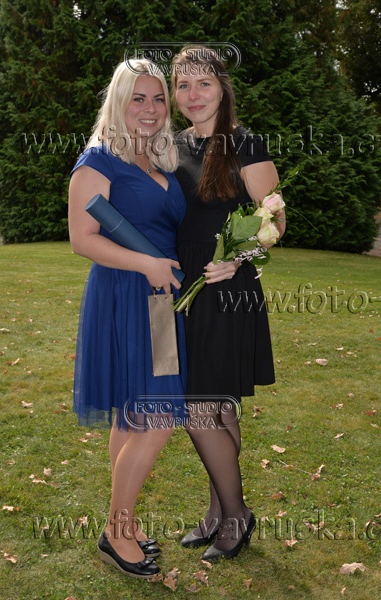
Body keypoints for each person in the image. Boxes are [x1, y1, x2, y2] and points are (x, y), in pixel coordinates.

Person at [68, 59, 187, 578]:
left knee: (134, 415)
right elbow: (82, 238)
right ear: (118, 102)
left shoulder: (158, 158)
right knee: (158, 417)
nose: (150, 108)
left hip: (160, 301)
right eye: (138, 98)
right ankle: (117, 533)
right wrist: (146, 264)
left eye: (158, 98)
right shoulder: (99, 159)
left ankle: (124, 521)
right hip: (124, 295)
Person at [171, 45, 286, 562]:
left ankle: (236, 515)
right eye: (183, 85)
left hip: (226, 286)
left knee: (198, 409)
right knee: (216, 406)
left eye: (204, 83)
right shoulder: (171, 145)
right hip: (183, 284)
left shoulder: (246, 144)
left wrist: (237, 260)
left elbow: (275, 222)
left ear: (222, 87)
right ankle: (218, 511)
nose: (193, 94)